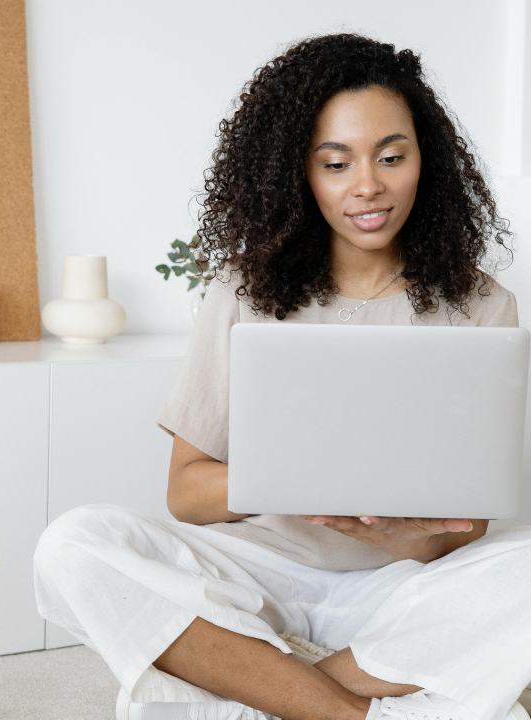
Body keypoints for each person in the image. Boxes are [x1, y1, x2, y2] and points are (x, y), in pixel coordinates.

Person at [33, 33, 531, 720]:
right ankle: (351, 710)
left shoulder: (483, 305)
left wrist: (398, 535)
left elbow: (467, 524)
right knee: (74, 544)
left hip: (395, 589)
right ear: (300, 172)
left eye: (392, 156)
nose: (368, 186)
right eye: (336, 163)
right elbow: (185, 492)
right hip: (250, 581)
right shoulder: (245, 292)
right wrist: (294, 484)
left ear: (428, 160)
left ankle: (266, 689)